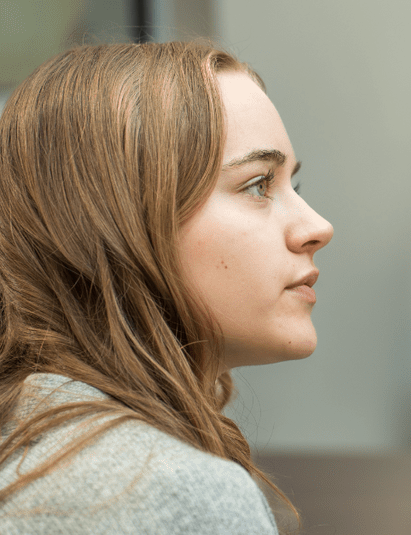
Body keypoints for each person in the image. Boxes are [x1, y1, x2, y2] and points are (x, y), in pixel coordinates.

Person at [0, 41, 333, 533]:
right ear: (116, 223)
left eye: (294, 187)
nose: (317, 227)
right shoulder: (166, 491)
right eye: (258, 184)